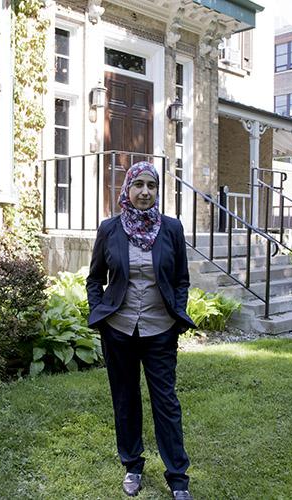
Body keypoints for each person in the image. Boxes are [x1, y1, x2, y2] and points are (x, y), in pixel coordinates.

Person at [87, 161, 196, 500]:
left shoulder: (172, 229)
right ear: (127, 189)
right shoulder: (109, 229)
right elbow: (95, 278)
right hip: (118, 330)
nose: (145, 192)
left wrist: (177, 315)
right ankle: (132, 465)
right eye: (139, 185)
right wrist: (99, 314)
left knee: (166, 402)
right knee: (125, 399)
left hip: (159, 330)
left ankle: (178, 478)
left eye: (151, 185)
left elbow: (180, 279)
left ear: (157, 190)